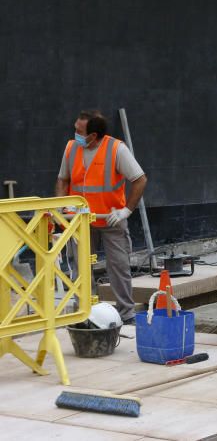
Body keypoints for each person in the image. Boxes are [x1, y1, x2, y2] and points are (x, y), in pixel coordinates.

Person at [56, 110, 147, 324]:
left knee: (119, 267)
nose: (75, 133)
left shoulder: (116, 150)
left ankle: (126, 314)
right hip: (80, 221)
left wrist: (126, 211)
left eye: (79, 131)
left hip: (110, 219)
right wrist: (60, 206)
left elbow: (140, 179)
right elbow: (62, 179)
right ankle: (84, 314)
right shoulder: (71, 148)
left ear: (93, 135)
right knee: (81, 269)